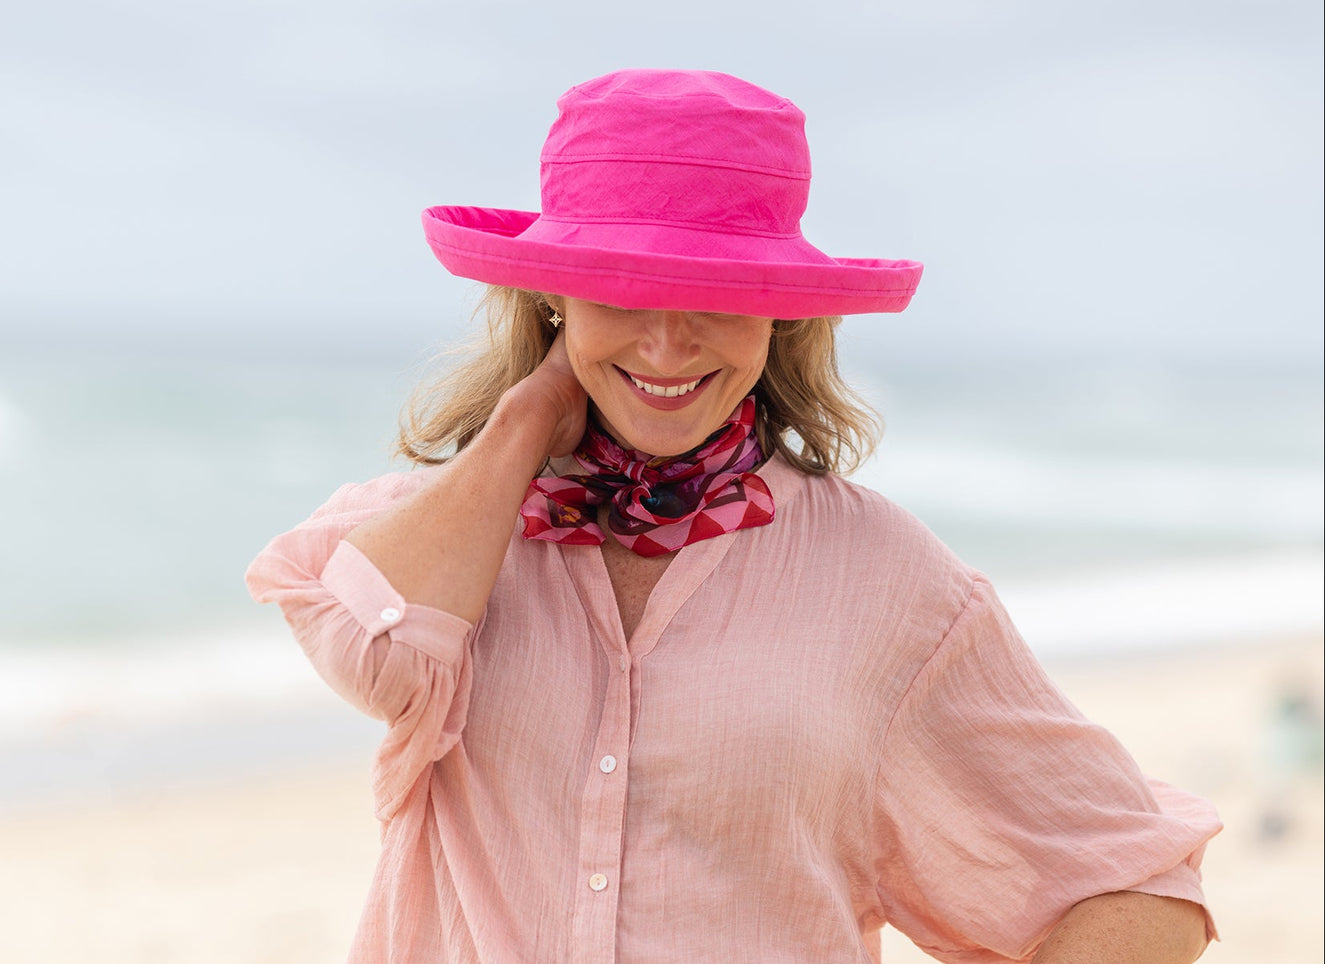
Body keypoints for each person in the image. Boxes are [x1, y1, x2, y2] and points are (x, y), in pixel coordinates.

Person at [247, 70, 1220, 963]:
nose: (667, 342)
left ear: (781, 311)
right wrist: (524, 419)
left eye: (715, 292)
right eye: (621, 287)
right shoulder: (442, 533)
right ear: (551, 293)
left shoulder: (885, 580)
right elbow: (375, 657)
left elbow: (1132, 882)